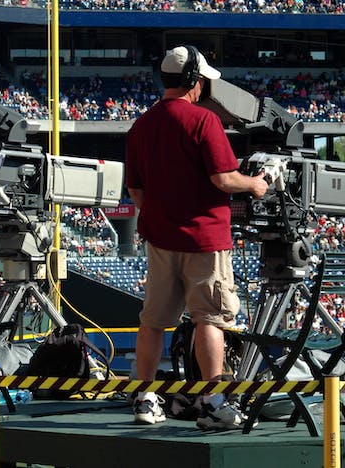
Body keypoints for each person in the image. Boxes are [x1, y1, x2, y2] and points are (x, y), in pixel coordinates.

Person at [125, 45, 269, 429]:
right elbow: (223, 178)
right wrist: (254, 184)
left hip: (159, 238)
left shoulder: (141, 124)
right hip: (204, 239)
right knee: (210, 318)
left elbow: (136, 192)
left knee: (153, 321)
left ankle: (145, 397)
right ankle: (212, 401)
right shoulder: (203, 121)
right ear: (194, 80)